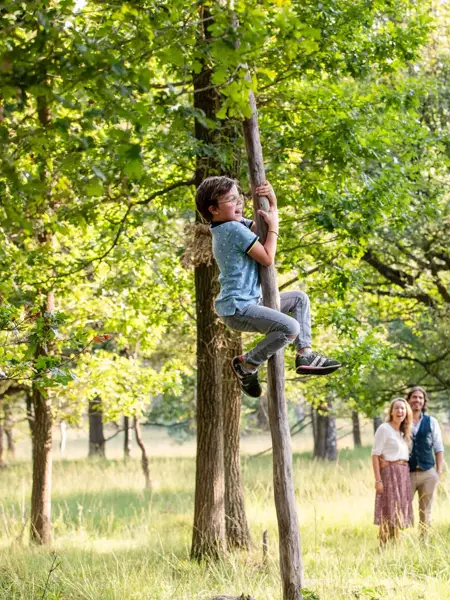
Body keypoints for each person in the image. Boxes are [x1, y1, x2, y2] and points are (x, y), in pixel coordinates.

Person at [195, 176, 341, 398]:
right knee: (290, 328)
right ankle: (247, 364)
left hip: (252, 302)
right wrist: (275, 226)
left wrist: (272, 204)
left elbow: (261, 226)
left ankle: (305, 353)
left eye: (239, 197)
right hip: (239, 307)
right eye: (231, 200)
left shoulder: (228, 226)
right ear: (213, 209)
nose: (239, 203)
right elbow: (266, 257)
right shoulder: (232, 230)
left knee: (299, 299)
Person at [372, 398, 413, 545]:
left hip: (403, 473)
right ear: (391, 411)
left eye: (402, 408)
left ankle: (395, 544)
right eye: (397, 408)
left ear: (406, 412)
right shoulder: (384, 429)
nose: (400, 411)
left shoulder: (402, 432)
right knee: (387, 509)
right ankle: (383, 545)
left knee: (398, 509)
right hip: (389, 473)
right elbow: (375, 455)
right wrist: (378, 480)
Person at [407, 386, 444, 536]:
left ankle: (424, 544)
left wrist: (438, 472)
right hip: (407, 473)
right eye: (414, 397)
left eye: (420, 398)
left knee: (426, 512)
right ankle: (399, 543)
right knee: (402, 508)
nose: (417, 400)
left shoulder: (431, 421)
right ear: (409, 400)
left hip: (428, 473)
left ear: (424, 401)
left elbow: (438, 447)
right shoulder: (402, 420)